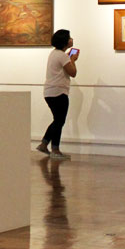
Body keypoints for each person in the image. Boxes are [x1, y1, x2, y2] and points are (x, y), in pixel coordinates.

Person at [36, 29, 77, 161]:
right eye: (69, 37)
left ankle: (44, 144)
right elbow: (73, 72)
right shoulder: (62, 56)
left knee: (57, 120)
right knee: (59, 121)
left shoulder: (53, 54)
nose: (71, 39)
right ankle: (55, 149)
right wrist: (73, 60)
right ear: (65, 41)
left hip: (49, 91)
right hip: (59, 92)